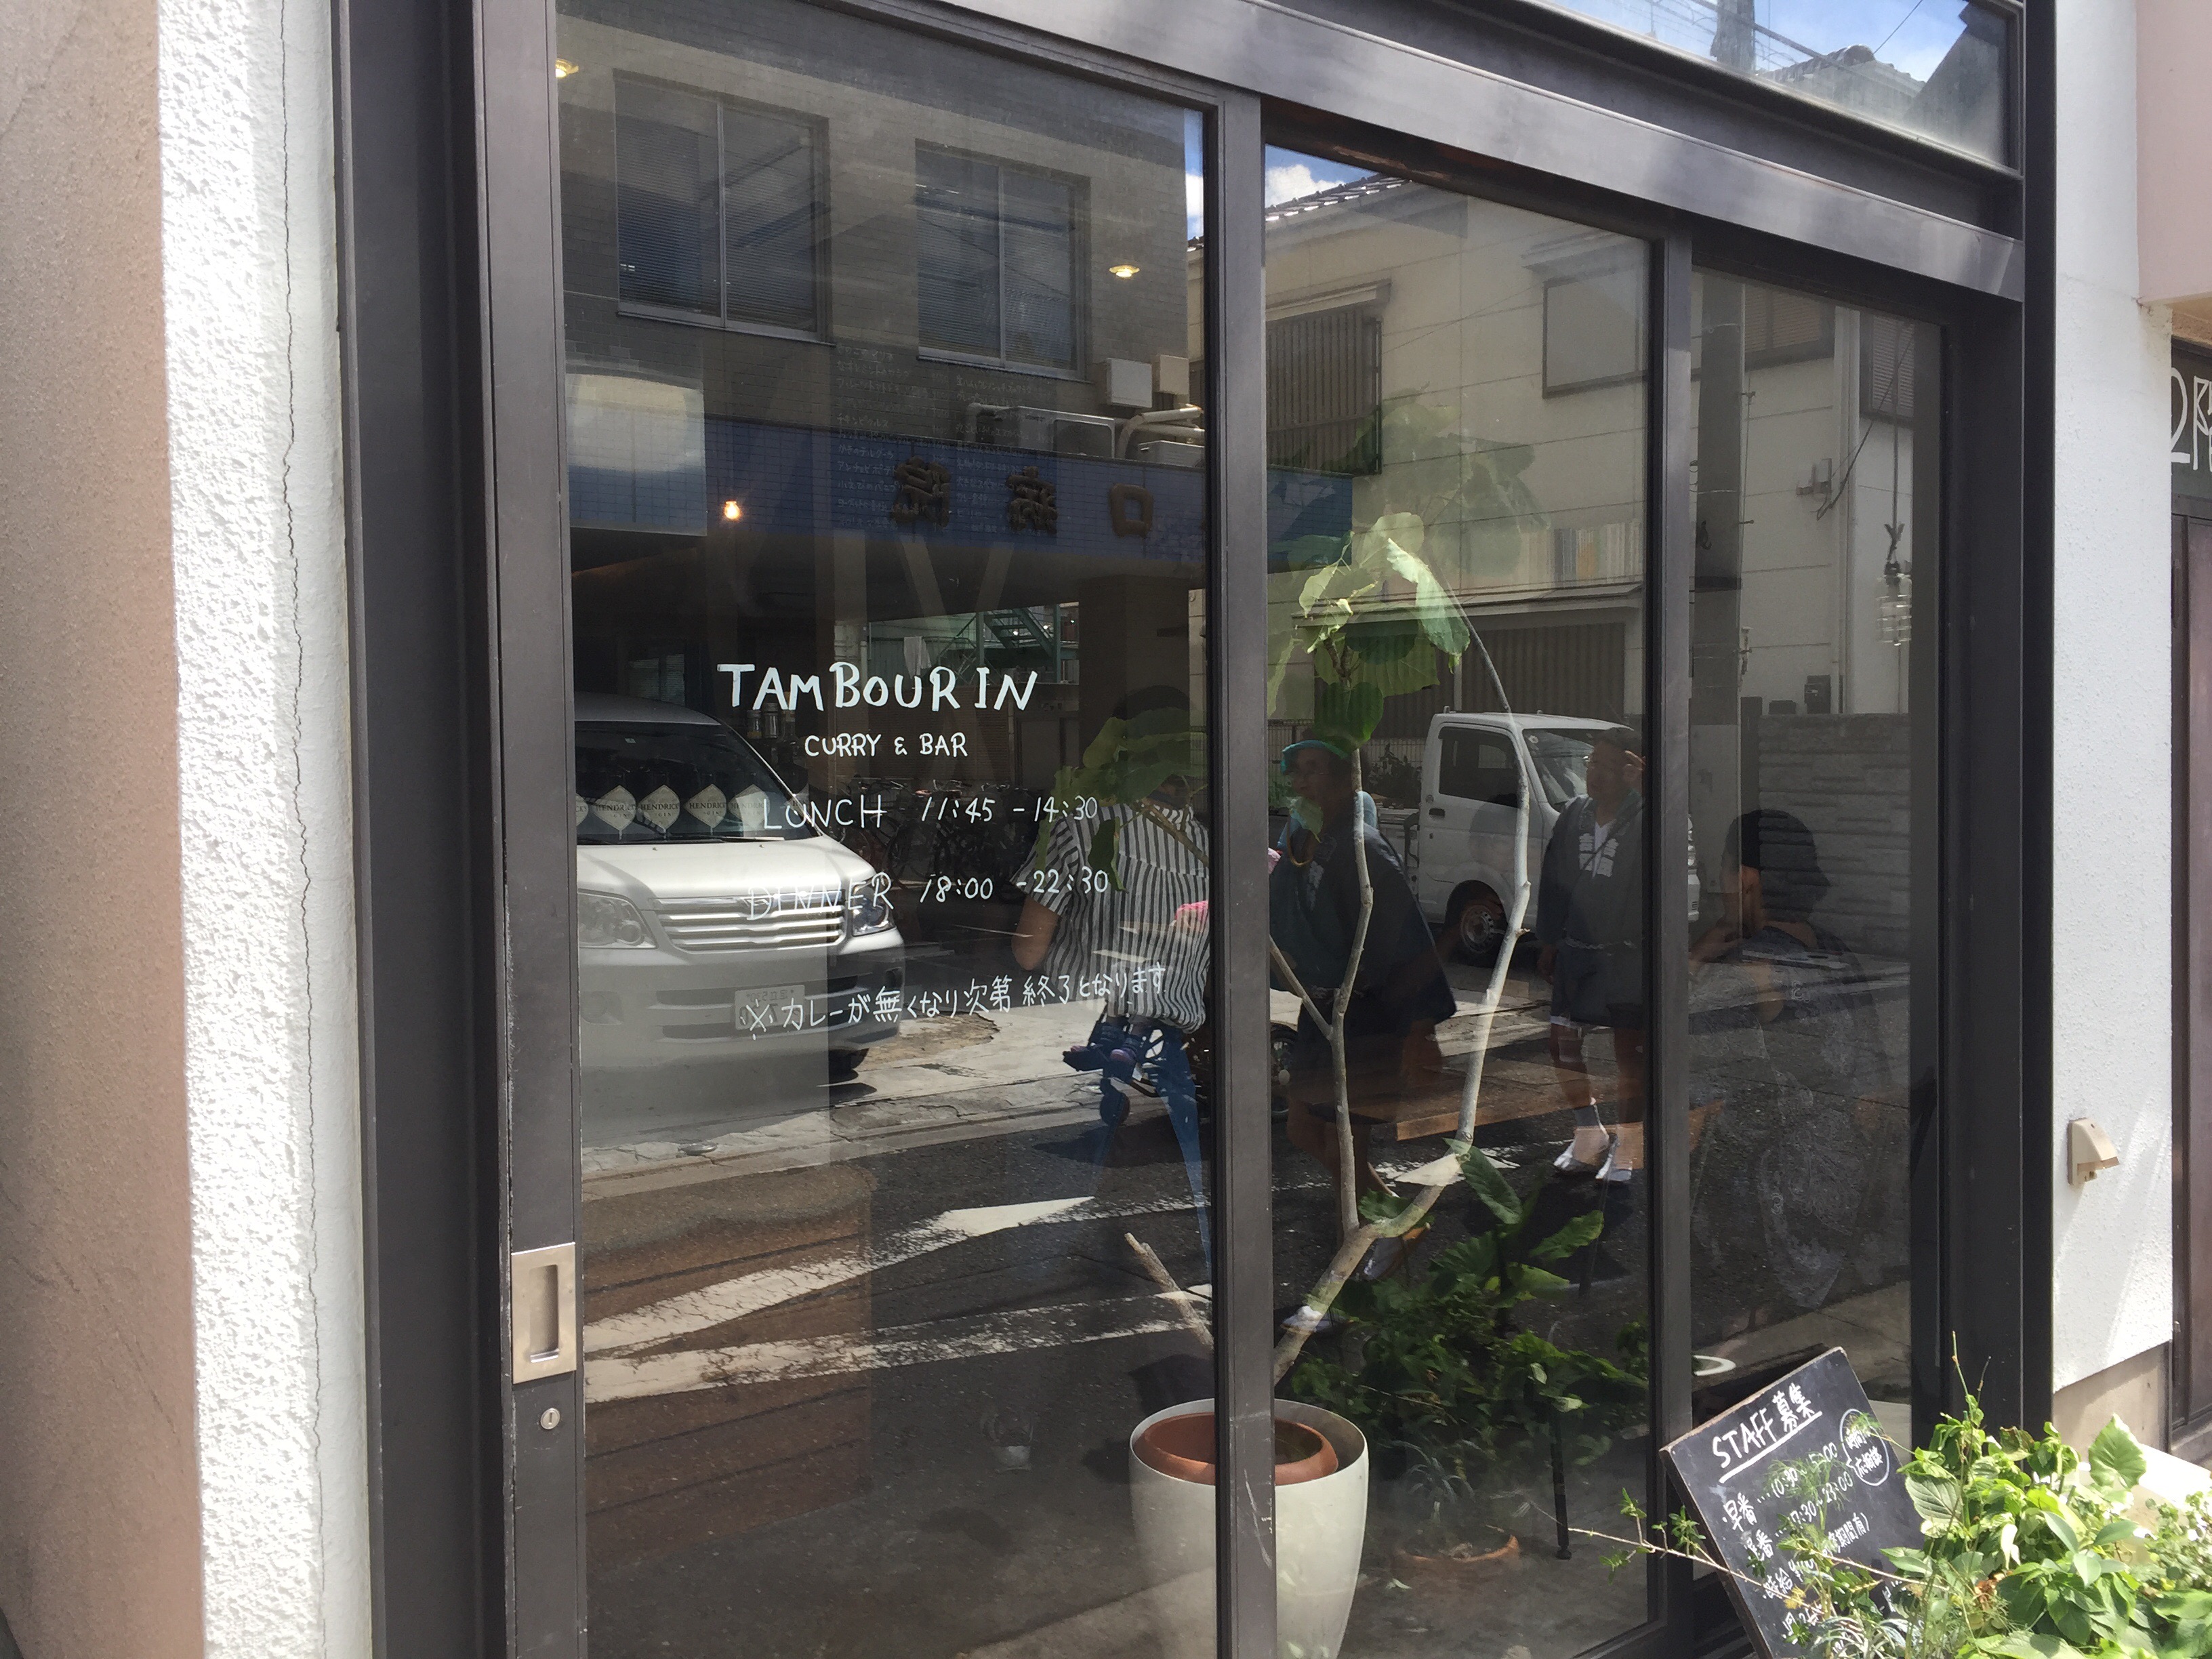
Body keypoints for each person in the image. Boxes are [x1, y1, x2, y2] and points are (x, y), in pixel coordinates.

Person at [1010, 695, 1212, 1269]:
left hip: (1083, 1031)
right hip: (1170, 1051)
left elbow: (1028, 950)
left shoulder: (1081, 825)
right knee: (1183, 1201)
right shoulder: (1207, 844)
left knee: (1054, 1210)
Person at [1686, 808, 1896, 1338]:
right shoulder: (1832, 951)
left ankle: (1743, 1315)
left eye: (1722, 872)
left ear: (1746, 879)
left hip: (1791, 1192)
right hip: (1855, 1180)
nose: (1719, 887)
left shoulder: (1751, 965)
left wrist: (1692, 962)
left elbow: (1682, 1056)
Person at [1269, 739, 1456, 1263]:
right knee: (1303, 1128)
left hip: (1365, 1015)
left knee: (1344, 1146)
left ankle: (1352, 1258)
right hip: (1321, 1010)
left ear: (1346, 780)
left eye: (1314, 770)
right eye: (1296, 771)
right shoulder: (1305, 841)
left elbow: (1408, 938)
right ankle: (1397, 1221)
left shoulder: (1363, 848)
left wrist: (1421, 1028)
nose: (1302, 782)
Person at [1534, 726, 1650, 1181]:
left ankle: (1630, 1142)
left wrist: (1647, 791)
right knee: (1562, 1044)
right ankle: (1588, 1131)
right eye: (1592, 763)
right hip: (1576, 949)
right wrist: (1548, 939)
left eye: (1610, 765)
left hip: (1626, 956)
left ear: (1632, 769)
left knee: (1629, 1055)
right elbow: (1553, 878)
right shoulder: (1574, 814)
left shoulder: (1648, 816)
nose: (1596, 773)